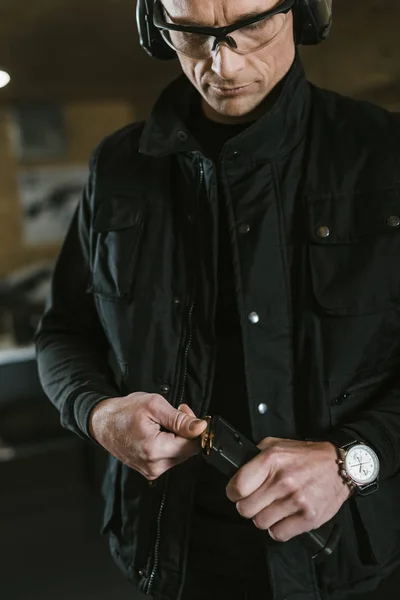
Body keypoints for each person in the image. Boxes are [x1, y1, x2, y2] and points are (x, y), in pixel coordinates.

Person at [35, 0, 400, 598]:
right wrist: (98, 414)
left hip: (357, 558)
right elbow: (64, 334)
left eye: (251, 25)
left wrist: (352, 458)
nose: (221, 61)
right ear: (155, 26)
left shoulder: (386, 152)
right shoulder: (117, 169)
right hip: (171, 558)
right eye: (192, 33)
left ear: (306, 13)